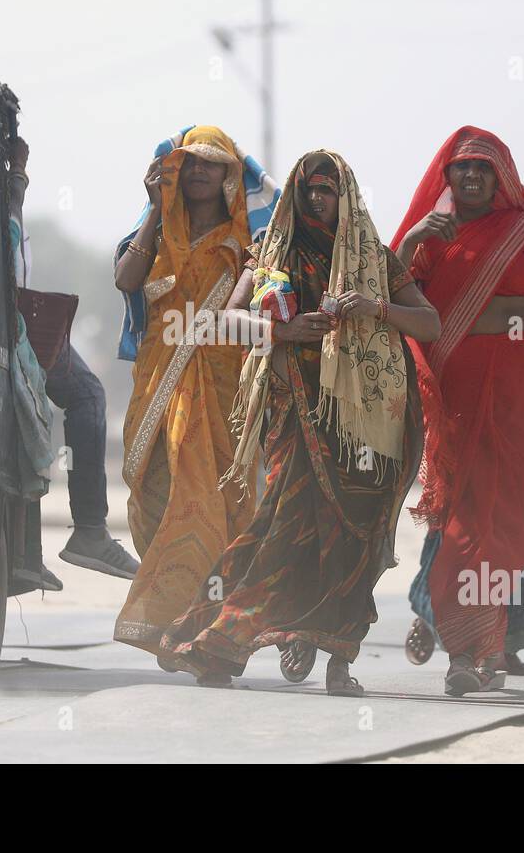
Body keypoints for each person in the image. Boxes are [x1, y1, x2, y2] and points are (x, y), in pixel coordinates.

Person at [158, 151, 437, 693]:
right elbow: (226, 321)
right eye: (307, 190)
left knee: (353, 540)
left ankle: (336, 659)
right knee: (277, 533)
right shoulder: (273, 251)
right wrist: (283, 333)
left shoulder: (374, 259)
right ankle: (215, 640)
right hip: (296, 419)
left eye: (326, 190)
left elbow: (429, 323)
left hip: (371, 430)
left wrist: (375, 309)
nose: (316, 199)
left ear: (346, 196)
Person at [392, 126, 524, 695]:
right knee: (460, 519)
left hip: (516, 386)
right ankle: (462, 652)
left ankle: (485, 647)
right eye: (461, 167)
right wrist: (414, 233)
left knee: (509, 519)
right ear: (447, 176)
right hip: (451, 389)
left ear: (501, 177)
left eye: (482, 169)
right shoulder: (429, 235)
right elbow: (385, 292)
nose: (471, 177)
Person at [111, 125, 276, 662]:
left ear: (232, 176)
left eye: (213, 163)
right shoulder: (158, 234)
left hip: (223, 382)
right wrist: (154, 212)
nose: (200, 171)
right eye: (191, 162)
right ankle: (180, 614)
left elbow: (259, 314)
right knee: (151, 493)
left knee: (214, 502)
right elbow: (125, 281)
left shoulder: (249, 243)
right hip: (156, 380)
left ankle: (190, 627)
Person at [5, 136, 139, 586]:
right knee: (82, 396)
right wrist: (16, 179)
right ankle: (88, 531)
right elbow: (5, 246)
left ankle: (29, 550)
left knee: (23, 415)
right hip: (3, 319)